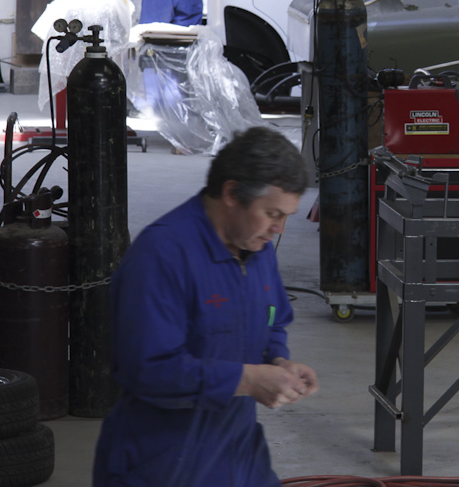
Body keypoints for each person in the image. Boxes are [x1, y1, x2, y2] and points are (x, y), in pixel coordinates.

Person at [92, 126, 318, 486]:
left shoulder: (257, 249)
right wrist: (247, 379)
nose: (280, 229)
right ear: (231, 193)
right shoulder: (162, 256)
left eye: (286, 215)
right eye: (272, 213)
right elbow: (147, 369)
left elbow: (274, 320)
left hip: (239, 455)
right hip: (162, 464)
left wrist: (278, 360)